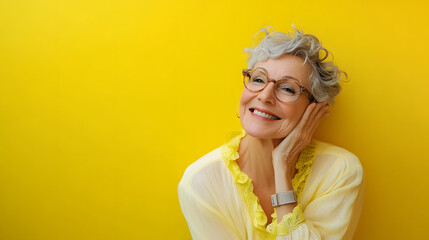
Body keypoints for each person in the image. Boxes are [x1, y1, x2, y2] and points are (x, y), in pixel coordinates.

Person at [178, 25, 364, 240]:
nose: (265, 96)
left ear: (312, 109)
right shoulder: (200, 183)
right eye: (258, 79)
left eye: (288, 88)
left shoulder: (340, 171)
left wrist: (282, 165)